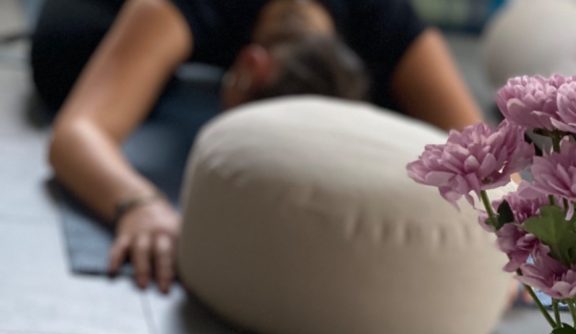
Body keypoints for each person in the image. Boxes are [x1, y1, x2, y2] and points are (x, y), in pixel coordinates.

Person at [31, 0, 483, 293]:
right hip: (125, 21)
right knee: (63, 55)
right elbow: (78, 132)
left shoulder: (385, 20)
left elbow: (491, 161)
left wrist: (501, 244)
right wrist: (137, 205)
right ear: (250, 67)